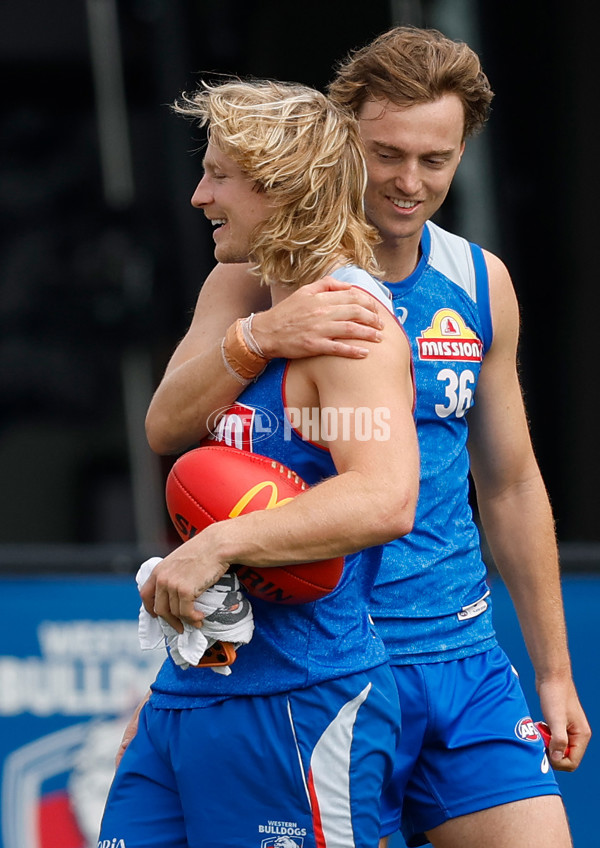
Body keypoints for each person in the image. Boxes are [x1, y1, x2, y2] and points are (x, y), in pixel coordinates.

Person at [141, 26, 591, 848]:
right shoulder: (251, 270)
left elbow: (511, 483)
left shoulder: (478, 281)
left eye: (437, 160)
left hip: (459, 654)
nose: (409, 183)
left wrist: (553, 671)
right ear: (338, 138)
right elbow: (169, 424)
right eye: (387, 154)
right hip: (326, 657)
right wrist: (265, 333)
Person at [98, 79, 419, 848]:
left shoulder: (353, 325)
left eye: (218, 176)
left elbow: (384, 500)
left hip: (302, 699)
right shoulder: (238, 288)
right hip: (197, 687)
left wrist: (214, 544)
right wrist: (262, 336)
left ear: (280, 187)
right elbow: (167, 423)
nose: (198, 195)